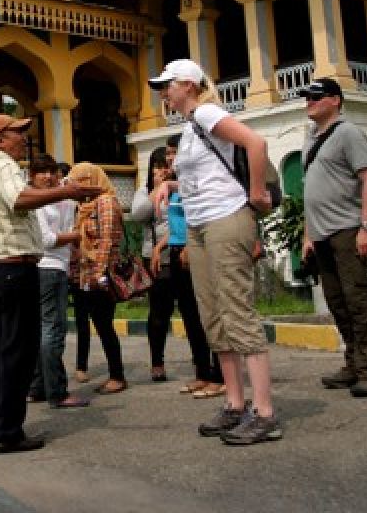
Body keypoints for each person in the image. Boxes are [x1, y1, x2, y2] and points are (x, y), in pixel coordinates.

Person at [149, 58, 280, 445]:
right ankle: (234, 403)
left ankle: (264, 412)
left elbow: (256, 143)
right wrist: (170, 187)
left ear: (188, 84)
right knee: (213, 315)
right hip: (200, 225)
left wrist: (256, 194)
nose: (163, 93)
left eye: (167, 85)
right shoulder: (189, 126)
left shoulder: (206, 112)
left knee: (236, 310)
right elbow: (203, 173)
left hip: (227, 219)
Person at [0, 114, 100, 454]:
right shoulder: (5, 167)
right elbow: (19, 199)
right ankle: (7, 431)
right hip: (13, 267)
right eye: (16, 133)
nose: (23, 138)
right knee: (17, 351)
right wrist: (66, 190)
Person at [298, 78, 367, 398]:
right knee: (337, 302)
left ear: (335, 100)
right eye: (307, 97)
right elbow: (312, 191)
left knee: (358, 300)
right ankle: (352, 363)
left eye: (316, 97)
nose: (309, 101)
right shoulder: (310, 138)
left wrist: (366, 226)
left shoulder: (348, 133)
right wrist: (308, 234)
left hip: (348, 229)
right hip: (321, 234)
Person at [127, 142, 224, 396]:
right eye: (163, 160)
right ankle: (202, 372)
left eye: (172, 155)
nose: (168, 163)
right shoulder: (155, 189)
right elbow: (139, 214)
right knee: (176, 315)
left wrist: (180, 245)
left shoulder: (189, 181)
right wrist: (162, 244)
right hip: (171, 254)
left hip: (190, 253)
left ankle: (217, 374)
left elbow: (195, 214)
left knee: (202, 315)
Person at [26, 154, 89, 409]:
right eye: (41, 172)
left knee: (42, 330)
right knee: (53, 330)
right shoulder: (36, 203)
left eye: (51, 171)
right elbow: (47, 240)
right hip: (46, 268)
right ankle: (57, 391)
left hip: (56, 268)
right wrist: (75, 236)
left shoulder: (62, 198)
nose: (48, 176)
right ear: (32, 177)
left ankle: (39, 386)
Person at [68, 161, 128, 396]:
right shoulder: (86, 205)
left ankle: (117, 375)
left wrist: (99, 273)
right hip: (87, 273)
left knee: (104, 324)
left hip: (101, 274)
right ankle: (116, 374)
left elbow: (108, 240)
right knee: (101, 324)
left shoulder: (105, 202)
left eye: (81, 181)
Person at [58, 161, 92, 383]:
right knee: (56, 321)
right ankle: (53, 368)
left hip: (80, 267)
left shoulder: (83, 206)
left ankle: (82, 365)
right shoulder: (50, 205)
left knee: (82, 317)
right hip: (59, 265)